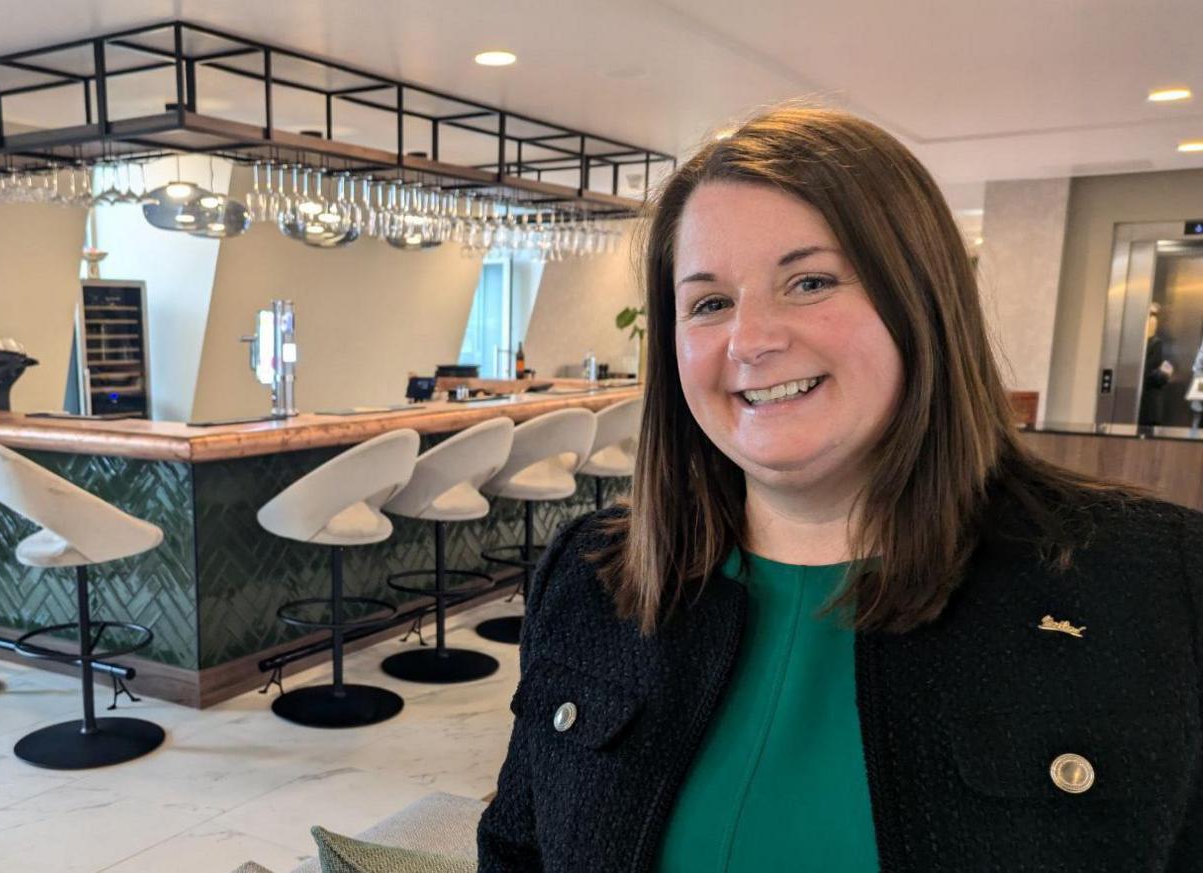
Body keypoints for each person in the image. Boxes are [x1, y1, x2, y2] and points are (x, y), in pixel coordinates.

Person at [477, 107, 1202, 872]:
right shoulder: (592, 581)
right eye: (710, 302)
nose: (750, 339)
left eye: (810, 281)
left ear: (920, 300)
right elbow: (514, 851)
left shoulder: (1160, 586)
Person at [1141, 301, 1176, 426]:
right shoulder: (1150, 343)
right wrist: (1164, 373)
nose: (1153, 320)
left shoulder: (1159, 342)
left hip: (1151, 407)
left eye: (1155, 316)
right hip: (1144, 407)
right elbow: (1147, 375)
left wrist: (1165, 373)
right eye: (1150, 315)